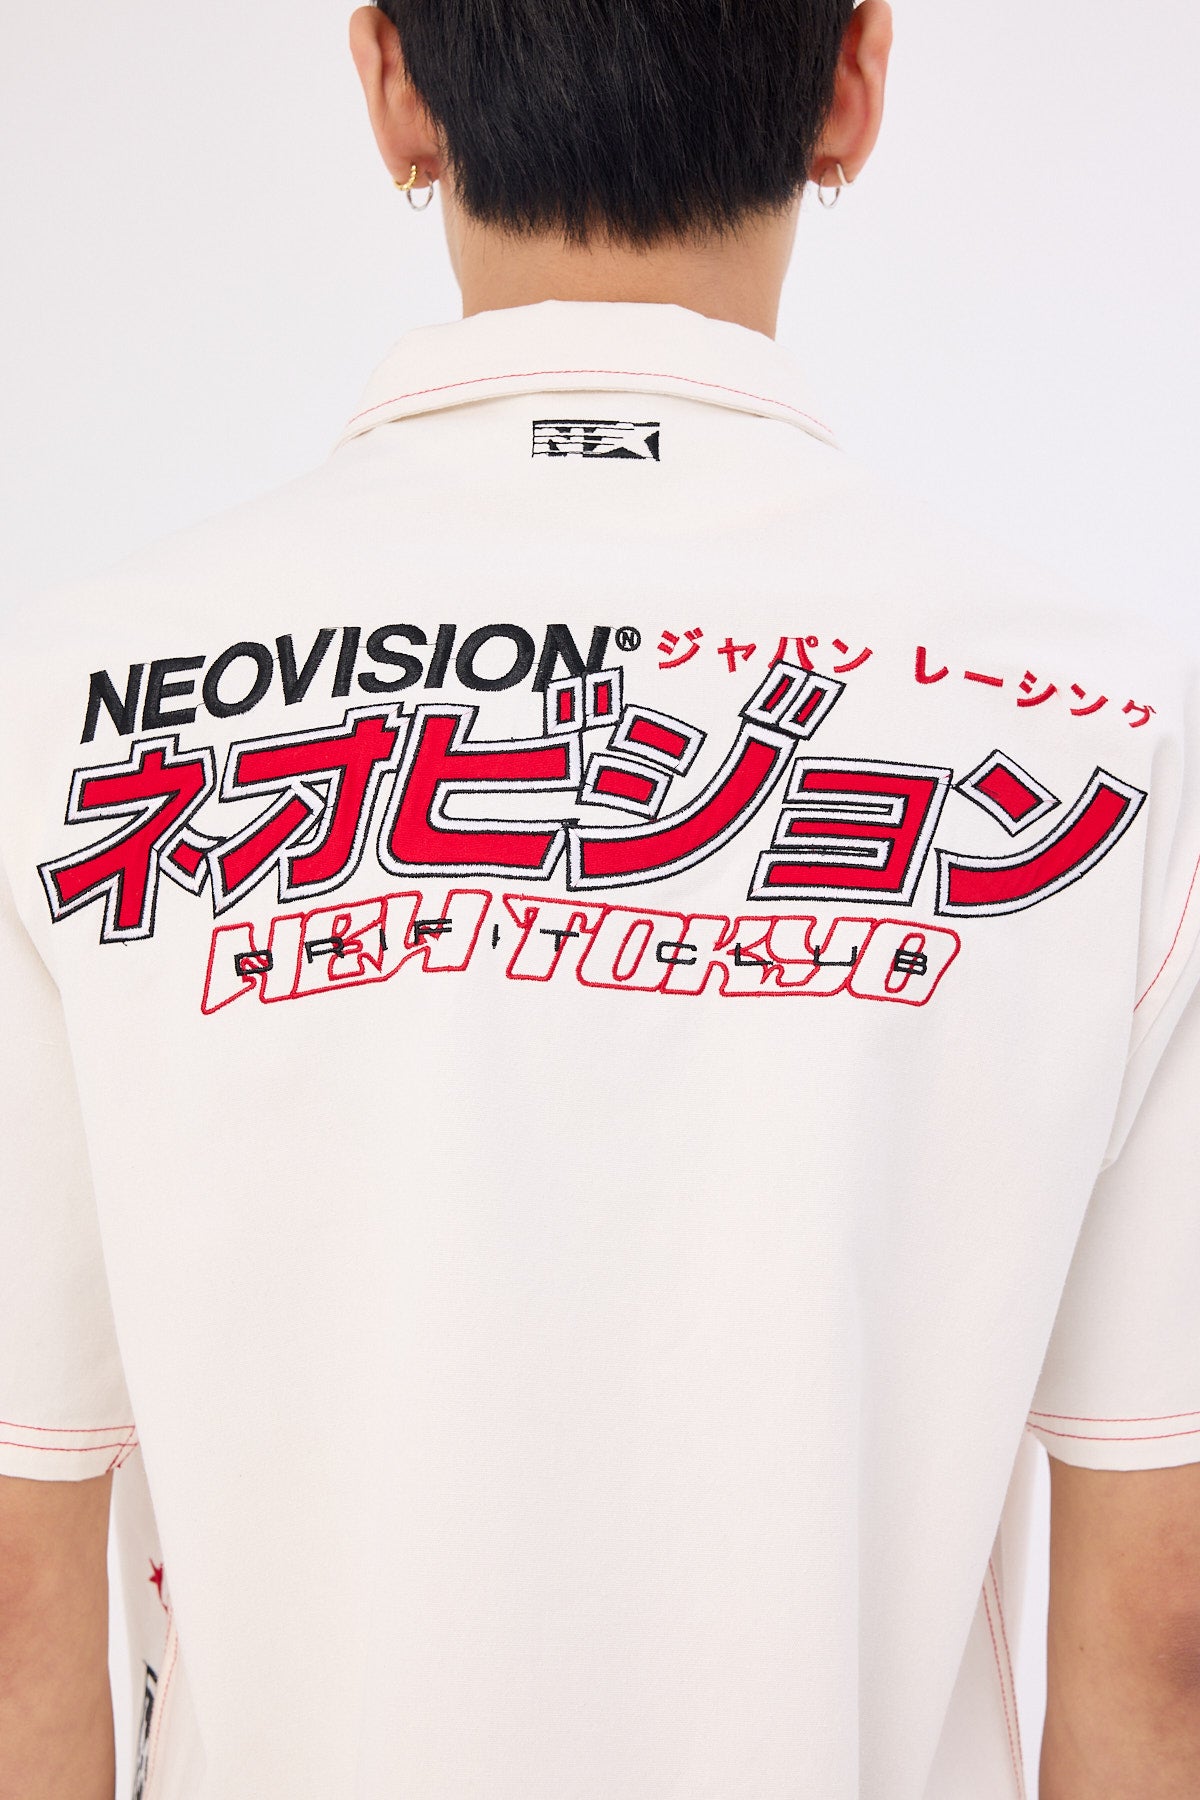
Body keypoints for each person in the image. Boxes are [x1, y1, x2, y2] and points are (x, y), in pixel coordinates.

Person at [0, 1, 1196, 1795]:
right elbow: (1161, 1617)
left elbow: (23, 1589)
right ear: (854, 83)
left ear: (394, 86)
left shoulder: (74, 702)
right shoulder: (1109, 727)